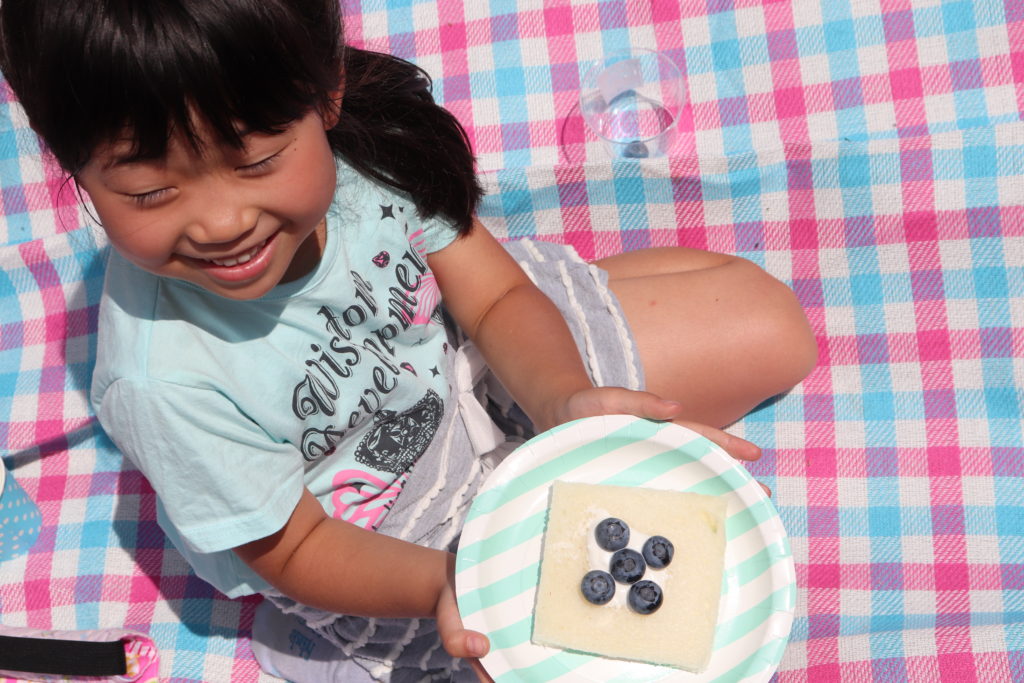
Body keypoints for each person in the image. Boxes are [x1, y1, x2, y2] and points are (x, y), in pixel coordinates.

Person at [0, 1, 817, 680]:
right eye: (150, 191)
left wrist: (566, 400)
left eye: (256, 162)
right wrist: (456, 578)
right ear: (76, 167)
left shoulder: (368, 148)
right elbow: (301, 545)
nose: (220, 222)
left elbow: (494, 295)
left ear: (325, 92)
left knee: (771, 326)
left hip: (469, 360)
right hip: (387, 529)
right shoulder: (160, 377)